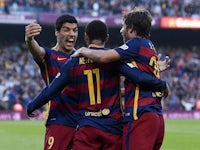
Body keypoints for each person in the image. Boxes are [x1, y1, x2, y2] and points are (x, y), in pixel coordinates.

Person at [27, 20, 169, 150]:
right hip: (113, 128)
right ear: (106, 38)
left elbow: (51, 90)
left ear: (86, 37)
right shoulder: (115, 59)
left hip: (88, 128)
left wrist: (32, 106)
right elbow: (138, 76)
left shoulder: (74, 61)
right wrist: (158, 78)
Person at [71, 7, 169, 150]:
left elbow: (105, 57)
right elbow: (139, 79)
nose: (120, 30)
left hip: (139, 113)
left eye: (123, 26)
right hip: (156, 116)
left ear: (131, 28)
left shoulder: (135, 43)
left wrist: (83, 50)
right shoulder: (150, 47)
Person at [25, 14, 79, 150]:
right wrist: (29, 39)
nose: (71, 34)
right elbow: (37, 51)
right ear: (57, 32)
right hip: (59, 122)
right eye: (67, 29)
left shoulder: (81, 57)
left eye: (75, 30)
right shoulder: (49, 55)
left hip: (83, 125)